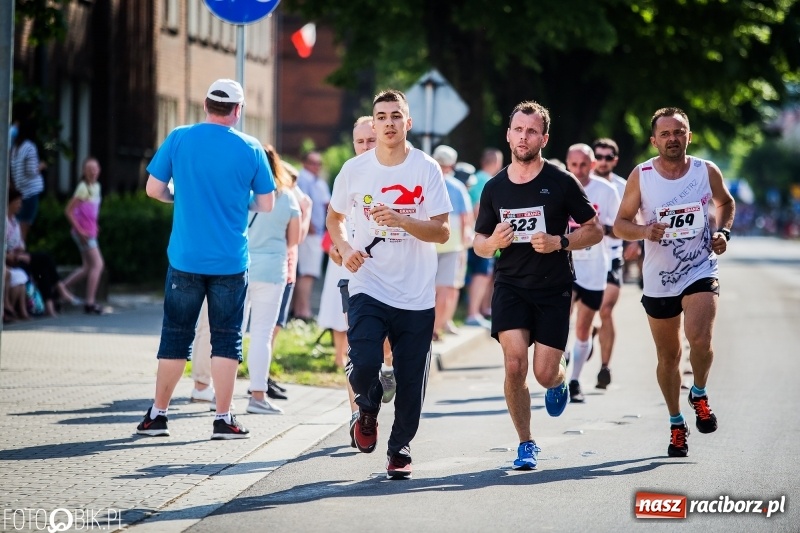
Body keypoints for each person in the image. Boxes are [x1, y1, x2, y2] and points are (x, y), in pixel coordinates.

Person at [136, 78, 276, 440]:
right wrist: (235, 202)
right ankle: (223, 418)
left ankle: (157, 415)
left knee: (175, 336)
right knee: (227, 339)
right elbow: (267, 203)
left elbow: (153, 189)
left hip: (184, 258)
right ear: (237, 110)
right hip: (230, 261)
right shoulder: (251, 147)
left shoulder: (180, 137)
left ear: (205, 104)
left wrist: (178, 198)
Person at [327, 89, 452, 479]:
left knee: (411, 382)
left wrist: (401, 220)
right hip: (368, 283)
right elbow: (334, 218)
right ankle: (367, 407)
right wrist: (345, 247)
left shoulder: (426, 168)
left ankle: (399, 449)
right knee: (364, 364)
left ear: (407, 123)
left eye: (396, 116)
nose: (388, 123)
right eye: (381, 116)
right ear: (374, 122)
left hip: (415, 294)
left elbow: (442, 231)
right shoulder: (355, 169)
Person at [473, 101, 602, 470]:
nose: (523, 137)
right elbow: (478, 241)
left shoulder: (561, 182)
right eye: (518, 129)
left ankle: (559, 377)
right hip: (511, 285)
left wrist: (560, 242)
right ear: (508, 134)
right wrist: (492, 243)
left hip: (553, 287)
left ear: (544, 137)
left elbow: (594, 230)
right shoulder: (494, 187)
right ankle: (526, 443)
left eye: (531, 131)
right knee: (515, 366)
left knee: (544, 374)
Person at [613, 107, 735, 458]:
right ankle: (676, 422)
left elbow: (726, 202)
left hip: (700, 267)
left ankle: (698, 391)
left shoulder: (704, 170)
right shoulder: (643, 175)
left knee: (700, 338)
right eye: (665, 134)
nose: (673, 138)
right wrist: (643, 231)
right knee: (668, 356)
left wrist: (723, 232)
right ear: (654, 140)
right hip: (658, 277)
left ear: (689, 135)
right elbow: (620, 224)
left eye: (679, 132)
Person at [319, 116, 396, 445]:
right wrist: (339, 250)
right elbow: (334, 222)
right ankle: (357, 413)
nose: (365, 146)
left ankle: (388, 368)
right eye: (359, 141)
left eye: (370, 139)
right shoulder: (348, 173)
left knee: (384, 345)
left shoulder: (394, 172)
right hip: (351, 277)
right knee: (357, 347)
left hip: (391, 277)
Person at [563, 144, 620, 403]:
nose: (578, 170)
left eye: (583, 165)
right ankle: (561, 360)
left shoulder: (606, 191)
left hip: (595, 267)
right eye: (573, 165)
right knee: (562, 319)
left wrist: (594, 229)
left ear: (593, 165)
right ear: (567, 164)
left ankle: (574, 381)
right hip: (566, 264)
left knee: (584, 327)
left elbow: (620, 227)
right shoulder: (560, 186)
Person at [591, 138, 639, 389]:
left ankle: (604, 367)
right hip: (581, 258)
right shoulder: (580, 183)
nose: (602, 161)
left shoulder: (622, 186)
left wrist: (635, 242)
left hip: (611, 256)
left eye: (608, 157)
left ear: (615, 160)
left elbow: (635, 217)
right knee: (577, 312)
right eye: (598, 156)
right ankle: (583, 340)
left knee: (606, 310)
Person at [6, 188, 79, 318]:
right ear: (9, 203)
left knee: (43, 267)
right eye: (17, 202)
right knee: (43, 260)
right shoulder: (4, 222)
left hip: (19, 258)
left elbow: (20, 244)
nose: (20, 205)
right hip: (10, 261)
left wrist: (21, 253)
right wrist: (17, 255)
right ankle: (58, 292)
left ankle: (50, 304)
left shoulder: (15, 222)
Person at [431, 144, 473, 341]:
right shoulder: (456, 186)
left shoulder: (426, 183)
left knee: (429, 288)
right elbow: (466, 216)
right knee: (446, 288)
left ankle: (430, 327)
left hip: (430, 239)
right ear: (451, 165)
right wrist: (466, 239)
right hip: (452, 241)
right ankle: (436, 327)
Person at [465, 148, 503, 328]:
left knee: (481, 274)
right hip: (480, 236)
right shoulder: (487, 181)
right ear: (496, 162)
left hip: (472, 234)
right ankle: (474, 313)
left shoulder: (476, 178)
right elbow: (479, 209)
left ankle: (479, 311)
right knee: (482, 274)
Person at [63, 157, 106, 314]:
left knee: (88, 267)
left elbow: (89, 212)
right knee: (98, 265)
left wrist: (95, 225)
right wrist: (80, 230)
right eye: (89, 169)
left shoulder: (97, 187)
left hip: (90, 232)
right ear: (84, 172)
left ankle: (61, 286)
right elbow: (68, 211)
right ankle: (90, 302)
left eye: (95, 169)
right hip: (84, 234)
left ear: (99, 170)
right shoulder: (82, 188)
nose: (93, 172)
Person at [293, 150, 329, 321]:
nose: (316, 167)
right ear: (305, 163)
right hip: (310, 233)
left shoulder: (317, 181)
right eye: (313, 163)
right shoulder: (303, 179)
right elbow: (302, 205)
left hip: (316, 232)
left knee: (307, 272)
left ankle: (299, 309)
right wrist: (311, 227)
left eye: (319, 163)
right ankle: (303, 311)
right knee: (308, 272)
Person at [9, 118, 46, 242]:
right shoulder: (29, 147)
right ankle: (19, 255)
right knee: (23, 227)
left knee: (17, 225)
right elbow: (31, 170)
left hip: (20, 191)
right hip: (30, 192)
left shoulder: (15, 148)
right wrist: (41, 166)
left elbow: (14, 169)